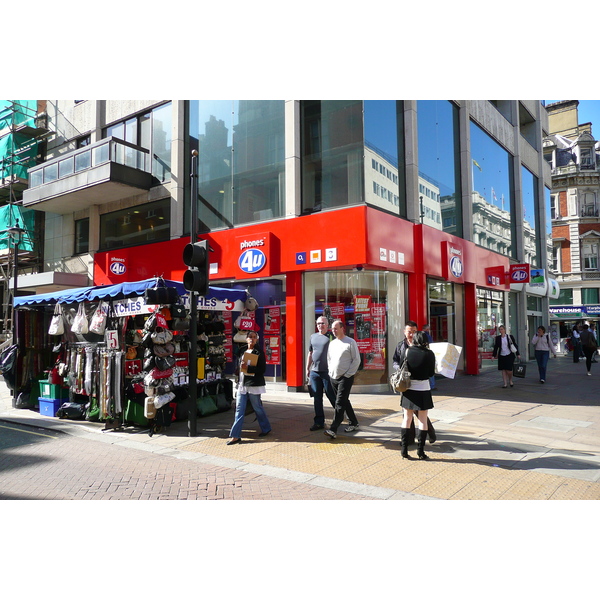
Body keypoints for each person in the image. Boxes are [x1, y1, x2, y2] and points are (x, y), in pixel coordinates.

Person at [392, 321, 436, 444]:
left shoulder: (424, 347)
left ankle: (430, 433)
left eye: (414, 332)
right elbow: (395, 360)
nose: (411, 334)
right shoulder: (401, 345)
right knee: (407, 413)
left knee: (419, 412)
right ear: (404, 332)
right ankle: (408, 439)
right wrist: (399, 370)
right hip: (405, 383)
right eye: (409, 332)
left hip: (420, 383)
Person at [227, 331, 271, 445]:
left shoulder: (259, 352)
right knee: (239, 409)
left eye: (254, 337)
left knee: (257, 408)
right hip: (242, 383)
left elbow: (262, 369)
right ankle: (235, 435)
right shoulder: (242, 351)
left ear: (257, 339)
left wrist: (248, 368)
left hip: (253, 384)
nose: (252, 339)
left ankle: (266, 428)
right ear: (246, 339)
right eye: (250, 337)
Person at [399, 331, 436, 460]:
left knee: (407, 418)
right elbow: (431, 373)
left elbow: (401, 367)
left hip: (408, 388)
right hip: (423, 389)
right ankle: (420, 452)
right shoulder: (429, 354)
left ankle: (404, 449)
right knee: (423, 420)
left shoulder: (407, 351)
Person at [324, 320, 361, 439]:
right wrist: (330, 371)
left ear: (342, 328)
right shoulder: (332, 343)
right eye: (332, 329)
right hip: (333, 377)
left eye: (336, 328)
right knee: (343, 400)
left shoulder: (350, 342)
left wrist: (348, 374)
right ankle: (354, 422)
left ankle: (333, 429)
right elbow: (329, 358)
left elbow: (356, 360)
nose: (333, 331)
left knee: (339, 403)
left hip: (345, 378)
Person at [306, 316, 336, 430]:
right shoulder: (313, 337)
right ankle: (319, 422)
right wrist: (307, 368)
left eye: (323, 323)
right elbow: (310, 353)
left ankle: (340, 416)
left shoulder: (331, 337)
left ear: (327, 325)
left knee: (331, 395)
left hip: (327, 372)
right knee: (317, 398)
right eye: (318, 323)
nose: (320, 325)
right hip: (315, 372)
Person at [421, 323, 437, 390]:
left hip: (422, 354)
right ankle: (432, 385)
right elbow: (431, 344)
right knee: (430, 370)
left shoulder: (419, 335)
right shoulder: (428, 336)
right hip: (428, 354)